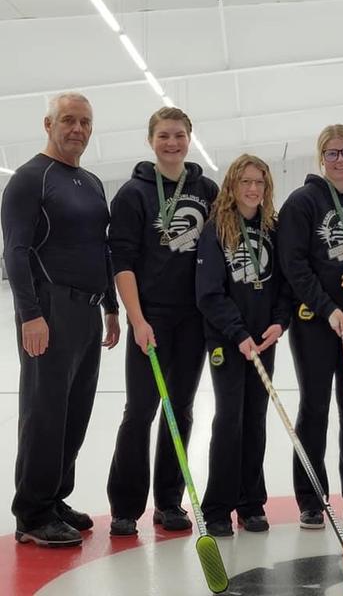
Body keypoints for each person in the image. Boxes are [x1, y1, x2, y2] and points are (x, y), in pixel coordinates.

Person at [2, 92, 120, 547]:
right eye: (68, 120)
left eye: (85, 122)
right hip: (49, 308)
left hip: (88, 309)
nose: (77, 129)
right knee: (45, 411)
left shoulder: (91, 181)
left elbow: (101, 248)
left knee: (75, 411)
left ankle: (54, 498)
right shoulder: (31, 179)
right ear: (47, 124)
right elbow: (15, 250)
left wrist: (110, 305)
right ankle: (32, 513)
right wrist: (30, 315)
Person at [106, 107, 218, 536]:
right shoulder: (133, 195)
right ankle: (126, 507)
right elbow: (124, 261)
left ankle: (169, 501)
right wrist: (136, 319)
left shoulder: (206, 189)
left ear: (190, 138)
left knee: (182, 410)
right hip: (150, 320)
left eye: (179, 135)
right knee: (141, 410)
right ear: (151, 140)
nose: (172, 143)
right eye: (164, 136)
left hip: (193, 321)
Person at [277, 124, 343, 529]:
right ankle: (311, 497)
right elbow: (294, 265)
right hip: (314, 319)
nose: (341, 160)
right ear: (322, 158)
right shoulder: (302, 202)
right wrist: (325, 308)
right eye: (333, 153)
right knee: (315, 405)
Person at [195, 154, 292, 536]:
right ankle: (217, 506)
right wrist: (237, 333)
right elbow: (208, 293)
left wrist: (279, 323)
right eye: (245, 182)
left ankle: (251, 503)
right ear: (232, 186)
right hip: (228, 342)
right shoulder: (216, 229)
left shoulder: (273, 227)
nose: (253, 189)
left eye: (260, 183)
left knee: (255, 420)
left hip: (264, 339)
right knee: (229, 419)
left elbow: (284, 284)